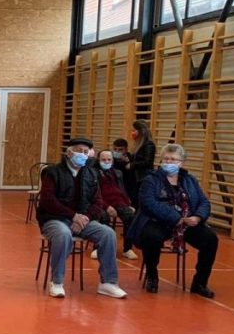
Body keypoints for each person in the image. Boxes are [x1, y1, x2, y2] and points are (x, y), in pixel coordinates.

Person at [36, 135, 127, 300]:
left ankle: (108, 282)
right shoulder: (52, 172)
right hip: (55, 218)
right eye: (79, 151)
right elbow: (48, 201)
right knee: (63, 234)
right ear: (69, 153)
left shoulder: (91, 174)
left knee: (108, 233)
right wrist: (73, 216)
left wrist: (84, 218)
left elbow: (97, 202)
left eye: (86, 152)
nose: (83, 155)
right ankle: (57, 282)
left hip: (82, 219)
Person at [127, 143, 219, 298]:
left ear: (181, 163)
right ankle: (152, 275)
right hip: (159, 221)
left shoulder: (190, 180)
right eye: (166, 159)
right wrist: (176, 218)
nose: (169, 162)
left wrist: (198, 217)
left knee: (210, 239)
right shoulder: (151, 179)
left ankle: (200, 283)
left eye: (173, 159)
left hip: (187, 222)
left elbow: (204, 202)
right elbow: (148, 202)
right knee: (151, 237)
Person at [94, 149, 138, 260]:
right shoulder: (93, 173)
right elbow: (93, 194)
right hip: (100, 203)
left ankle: (127, 249)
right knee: (103, 216)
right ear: (98, 161)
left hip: (118, 202)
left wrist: (128, 204)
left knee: (130, 215)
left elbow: (122, 190)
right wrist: (106, 206)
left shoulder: (118, 173)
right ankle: (98, 247)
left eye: (109, 159)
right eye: (103, 160)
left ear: (112, 161)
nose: (106, 162)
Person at [123, 120, 156, 206]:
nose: (132, 133)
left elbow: (147, 162)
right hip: (134, 177)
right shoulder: (138, 144)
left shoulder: (149, 145)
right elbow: (137, 159)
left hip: (142, 178)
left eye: (134, 130)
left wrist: (132, 165)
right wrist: (128, 158)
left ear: (140, 131)